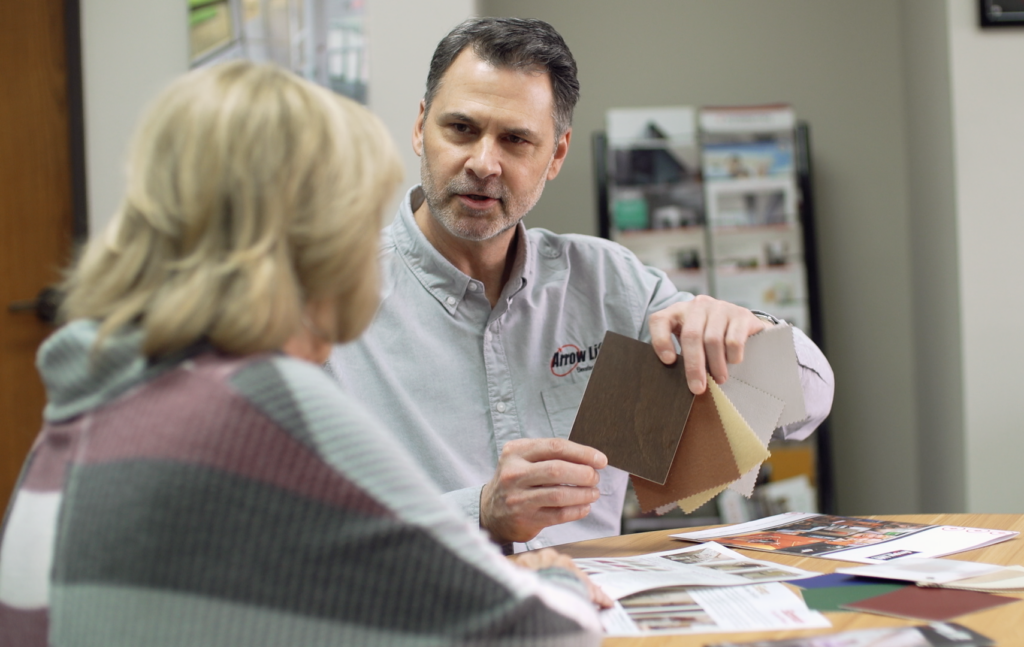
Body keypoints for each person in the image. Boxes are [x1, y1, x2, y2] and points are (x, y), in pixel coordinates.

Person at [0, 61, 605, 646]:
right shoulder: (260, 405)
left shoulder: (101, 391)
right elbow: (543, 634)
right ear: (319, 243)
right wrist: (553, 578)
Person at [328, 17, 835, 553]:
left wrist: (748, 331)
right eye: (461, 129)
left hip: (593, 621)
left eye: (516, 140)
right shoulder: (326, 296)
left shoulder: (607, 284)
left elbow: (806, 407)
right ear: (420, 127)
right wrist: (477, 512)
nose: (483, 163)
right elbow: (279, 526)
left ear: (557, 155)